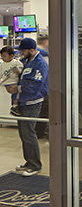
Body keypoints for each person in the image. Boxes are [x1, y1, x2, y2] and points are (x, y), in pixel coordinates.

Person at [6, 37, 49, 177]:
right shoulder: (25, 61)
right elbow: (22, 77)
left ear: (31, 50)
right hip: (23, 102)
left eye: (23, 51)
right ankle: (29, 162)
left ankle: (35, 165)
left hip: (32, 103)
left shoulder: (40, 63)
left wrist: (17, 88)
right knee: (24, 134)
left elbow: (36, 85)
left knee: (29, 133)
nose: (21, 53)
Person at [0, 46, 23, 116]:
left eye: (5, 56)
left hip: (14, 82)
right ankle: (14, 106)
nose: (3, 58)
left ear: (11, 56)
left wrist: (18, 71)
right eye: (2, 56)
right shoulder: (2, 65)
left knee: (16, 93)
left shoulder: (16, 63)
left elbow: (21, 71)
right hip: (6, 83)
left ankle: (15, 106)